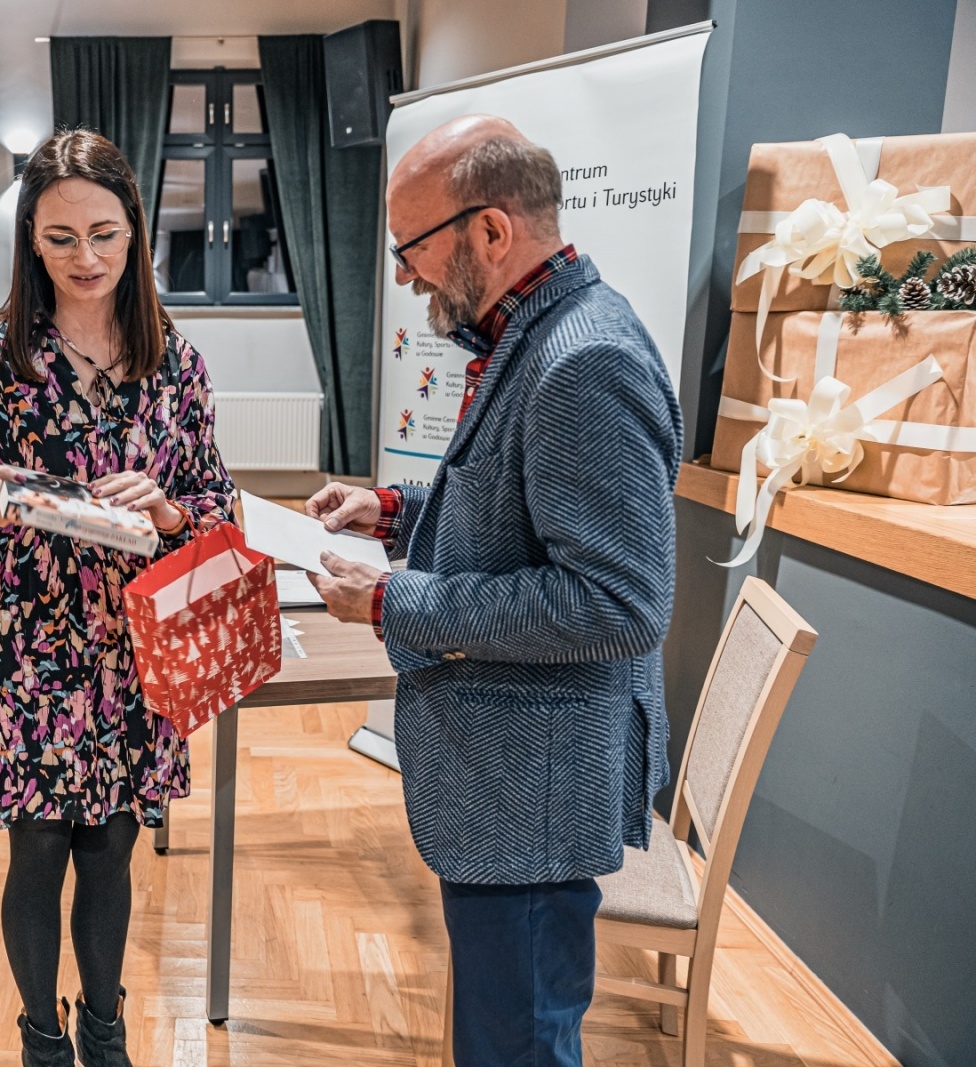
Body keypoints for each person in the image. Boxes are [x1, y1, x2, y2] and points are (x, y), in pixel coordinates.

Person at [307, 115, 682, 1067]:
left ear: (490, 231)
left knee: (517, 1043)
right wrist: (393, 509)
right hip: (515, 778)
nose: (405, 276)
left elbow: (617, 603)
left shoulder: (583, 359)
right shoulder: (538, 332)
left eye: (413, 247)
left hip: (534, 792)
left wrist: (392, 601)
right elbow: (510, 508)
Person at [0, 129, 233, 1067]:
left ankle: (105, 1030)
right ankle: (42, 1036)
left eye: (105, 235)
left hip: (131, 642)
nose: (86, 257)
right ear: (31, 239)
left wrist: (169, 510)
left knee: (112, 845)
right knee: (36, 847)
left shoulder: (176, 364)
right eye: (62, 237)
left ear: (136, 233)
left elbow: (215, 507)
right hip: (24, 636)